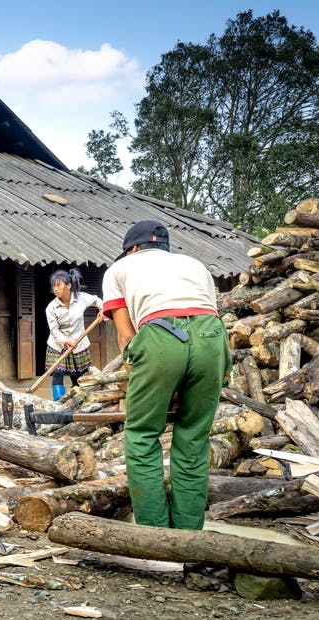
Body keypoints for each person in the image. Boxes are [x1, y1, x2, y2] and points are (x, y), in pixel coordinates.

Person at [101, 220, 229, 535]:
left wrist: (147, 385)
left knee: (143, 436)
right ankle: (187, 537)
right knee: (194, 439)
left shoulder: (120, 270)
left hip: (160, 336)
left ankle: (155, 537)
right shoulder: (196, 265)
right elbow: (203, 316)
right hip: (212, 338)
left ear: (131, 249)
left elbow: (127, 339)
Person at [44, 268, 103, 400]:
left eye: (58, 285)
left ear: (69, 285)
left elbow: (96, 300)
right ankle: (58, 403)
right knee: (57, 373)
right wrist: (64, 341)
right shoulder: (51, 307)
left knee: (78, 375)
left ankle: (77, 402)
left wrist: (102, 310)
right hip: (58, 345)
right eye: (54, 286)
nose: (55, 289)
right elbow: (54, 331)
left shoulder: (81, 298)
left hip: (78, 343)